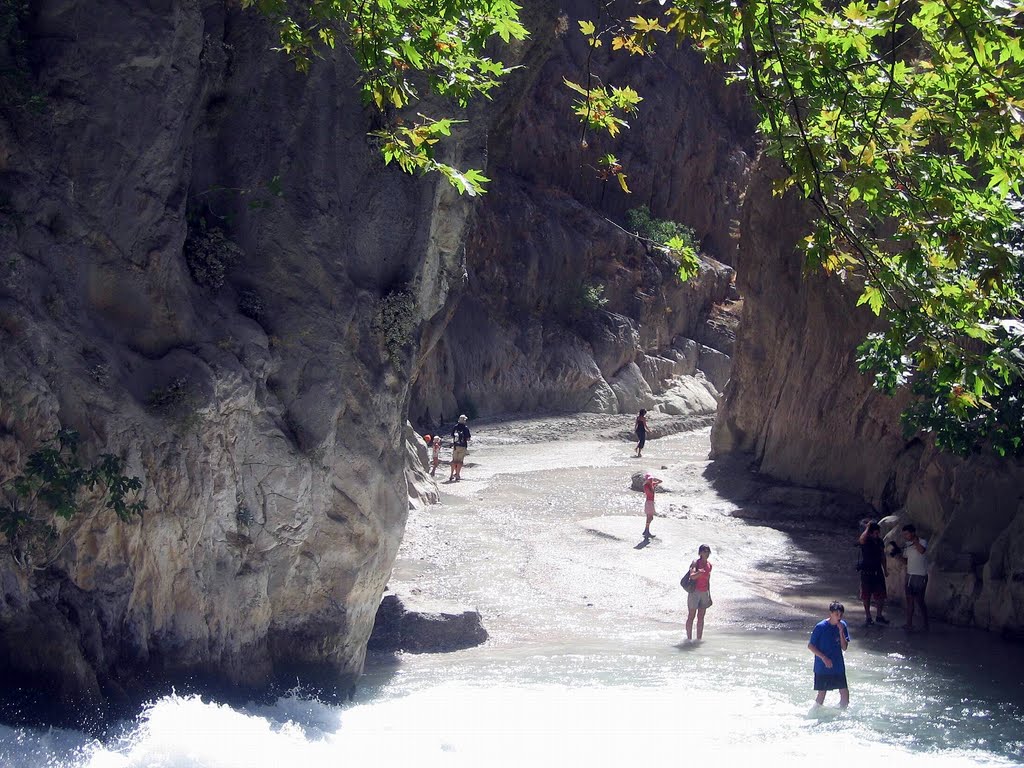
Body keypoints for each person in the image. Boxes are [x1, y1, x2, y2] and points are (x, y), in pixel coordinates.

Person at [808, 601, 851, 708]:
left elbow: (844, 647)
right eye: (836, 614)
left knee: (844, 692)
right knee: (822, 693)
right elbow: (810, 646)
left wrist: (841, 632)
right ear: (830, 613)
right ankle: (815, 713)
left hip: (838, 665)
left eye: (841, 615)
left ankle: (842, 714)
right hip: (822, 666)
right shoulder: (820, 627)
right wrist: (824, 658)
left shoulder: (843, 625)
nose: (839, 617)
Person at [857, 521, 889, 626]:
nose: (876, 535)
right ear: (870, 533)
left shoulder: (879, 542)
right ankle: (868, 617)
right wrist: (868, 527)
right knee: (866, 595)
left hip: (877, 571)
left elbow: (883, 556)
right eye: (874, 533)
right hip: (866, 571)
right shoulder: (866, 540)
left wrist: (885, 569)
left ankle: (879, 616)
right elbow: (861, 539)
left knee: (881, 595)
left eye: (877, 533)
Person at [901, 524, 929, 631]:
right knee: (909, 601)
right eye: (904, 534)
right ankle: (909, 624)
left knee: (920, 601)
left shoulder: (922, 541)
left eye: (906, 534)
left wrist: (915, 542)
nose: (905, 536)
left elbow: (922, 551)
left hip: (920, 576)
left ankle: (926, 624)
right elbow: (905, 561)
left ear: (913, 533)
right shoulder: (907, 545)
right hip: (910, 575)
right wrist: (898, 556)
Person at [685, 545, 713, 640]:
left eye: (708, 551)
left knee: (701, 617)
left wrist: (709, 595)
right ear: (700, 553)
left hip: (704, 593)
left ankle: (699, 639)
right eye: (704, 551)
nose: (707, 553)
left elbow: (708, 580)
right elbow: (692, 576)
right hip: (694, 592)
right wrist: (699, 573)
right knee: (691, 616)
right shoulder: (695, 563)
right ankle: (689, 639)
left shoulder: (709, 565)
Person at [449, 414, 471, 482]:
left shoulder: (455, 427)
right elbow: (468, 438)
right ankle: (457, 475)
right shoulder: (465, 428)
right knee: (460, 462)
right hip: (463, 446)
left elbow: (452, 435)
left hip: (455, 446)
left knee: (454, 461)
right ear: (464, 421)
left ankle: (451, 475)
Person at [642, 472, 661, 539]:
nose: (651, 480)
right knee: (649, 517)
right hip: (649, 502)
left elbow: (661, 481)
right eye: (649, 479)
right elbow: (650, 494)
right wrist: (652, 485)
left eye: (651, 479)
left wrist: (655, 479)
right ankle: (646, 531)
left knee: (650, 517)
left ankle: (646, 530)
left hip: (651, 502)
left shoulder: (651, 484)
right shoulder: (646, 486)